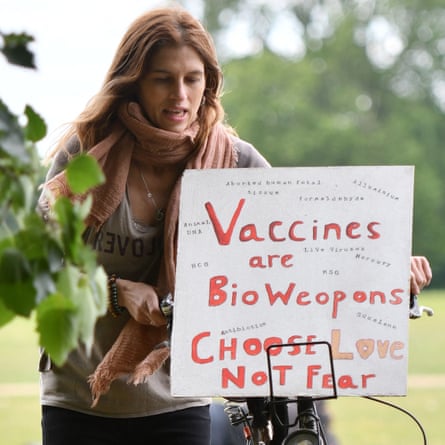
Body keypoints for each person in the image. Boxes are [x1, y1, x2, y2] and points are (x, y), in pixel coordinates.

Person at [38, 6, 433, 445]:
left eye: (192, 79)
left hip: (176, 400)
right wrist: (117, 292)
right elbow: (43, 269)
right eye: (163, 79)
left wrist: (388, 270)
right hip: (77, 397)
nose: (180, 96)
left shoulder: (235, 162)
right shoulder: (85, 155)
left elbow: (312, 249)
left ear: (209, 82)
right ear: (134, 81)